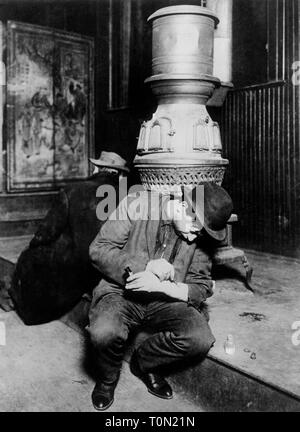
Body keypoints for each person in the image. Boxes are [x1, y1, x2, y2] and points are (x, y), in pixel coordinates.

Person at [87, 182, 233, 411]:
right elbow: (99, 249)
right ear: (183, 206)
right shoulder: (137, 204)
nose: (196, 238)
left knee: (200, 338)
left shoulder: (200, 234)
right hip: (121, 292)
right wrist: (145, 267)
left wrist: (164, 287)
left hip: (164, 300)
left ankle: (144, 363)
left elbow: (201, 285)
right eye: (195, 228)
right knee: (103, 331)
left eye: (202, 233)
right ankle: (107, 378)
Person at [2, 152, 130, 325]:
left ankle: (25, 307)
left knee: (28, 258)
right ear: (120, 174)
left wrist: (33, 246)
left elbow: (47, 232)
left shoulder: (73, 190)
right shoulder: (128, 195)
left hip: (74, 266)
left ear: (97, 168)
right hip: (105, 264)